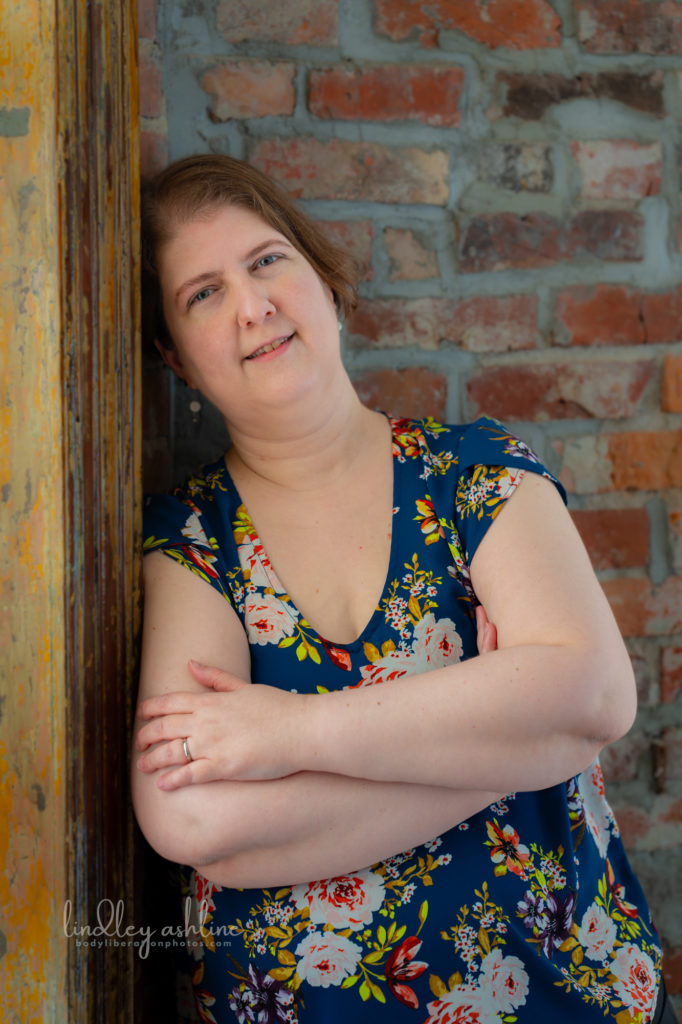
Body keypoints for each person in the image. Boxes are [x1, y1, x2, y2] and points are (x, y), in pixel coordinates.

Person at [132, 154, 676, 1024]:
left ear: (323, 279)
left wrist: (293, 732)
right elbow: (192, 822)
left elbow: (599, 693)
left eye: (268, 260)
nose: (252, 304)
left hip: (561, 996)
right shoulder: (191, 540)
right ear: (176, 359)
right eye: (203, 293)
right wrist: (520, 746)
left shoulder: (473, 474)